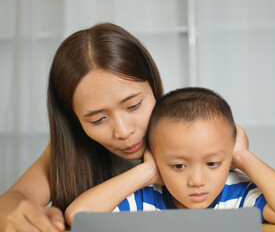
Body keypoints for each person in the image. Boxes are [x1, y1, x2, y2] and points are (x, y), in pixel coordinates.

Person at [0, 22, 166, 232]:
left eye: (133, 106)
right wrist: (11, 213)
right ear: (74, 119)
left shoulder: (187, 130)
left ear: (152, 85)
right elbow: (15, 198)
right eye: (98, 120)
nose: (123, 132)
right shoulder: (71, 149)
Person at [65, 87, 275, 226]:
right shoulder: (145, 200)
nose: (197, 180)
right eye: (178, 165)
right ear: (156, 158)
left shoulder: (237, 194)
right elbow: (79, 217)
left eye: (213, 163)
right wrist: (147, 171)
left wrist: (243, 156)